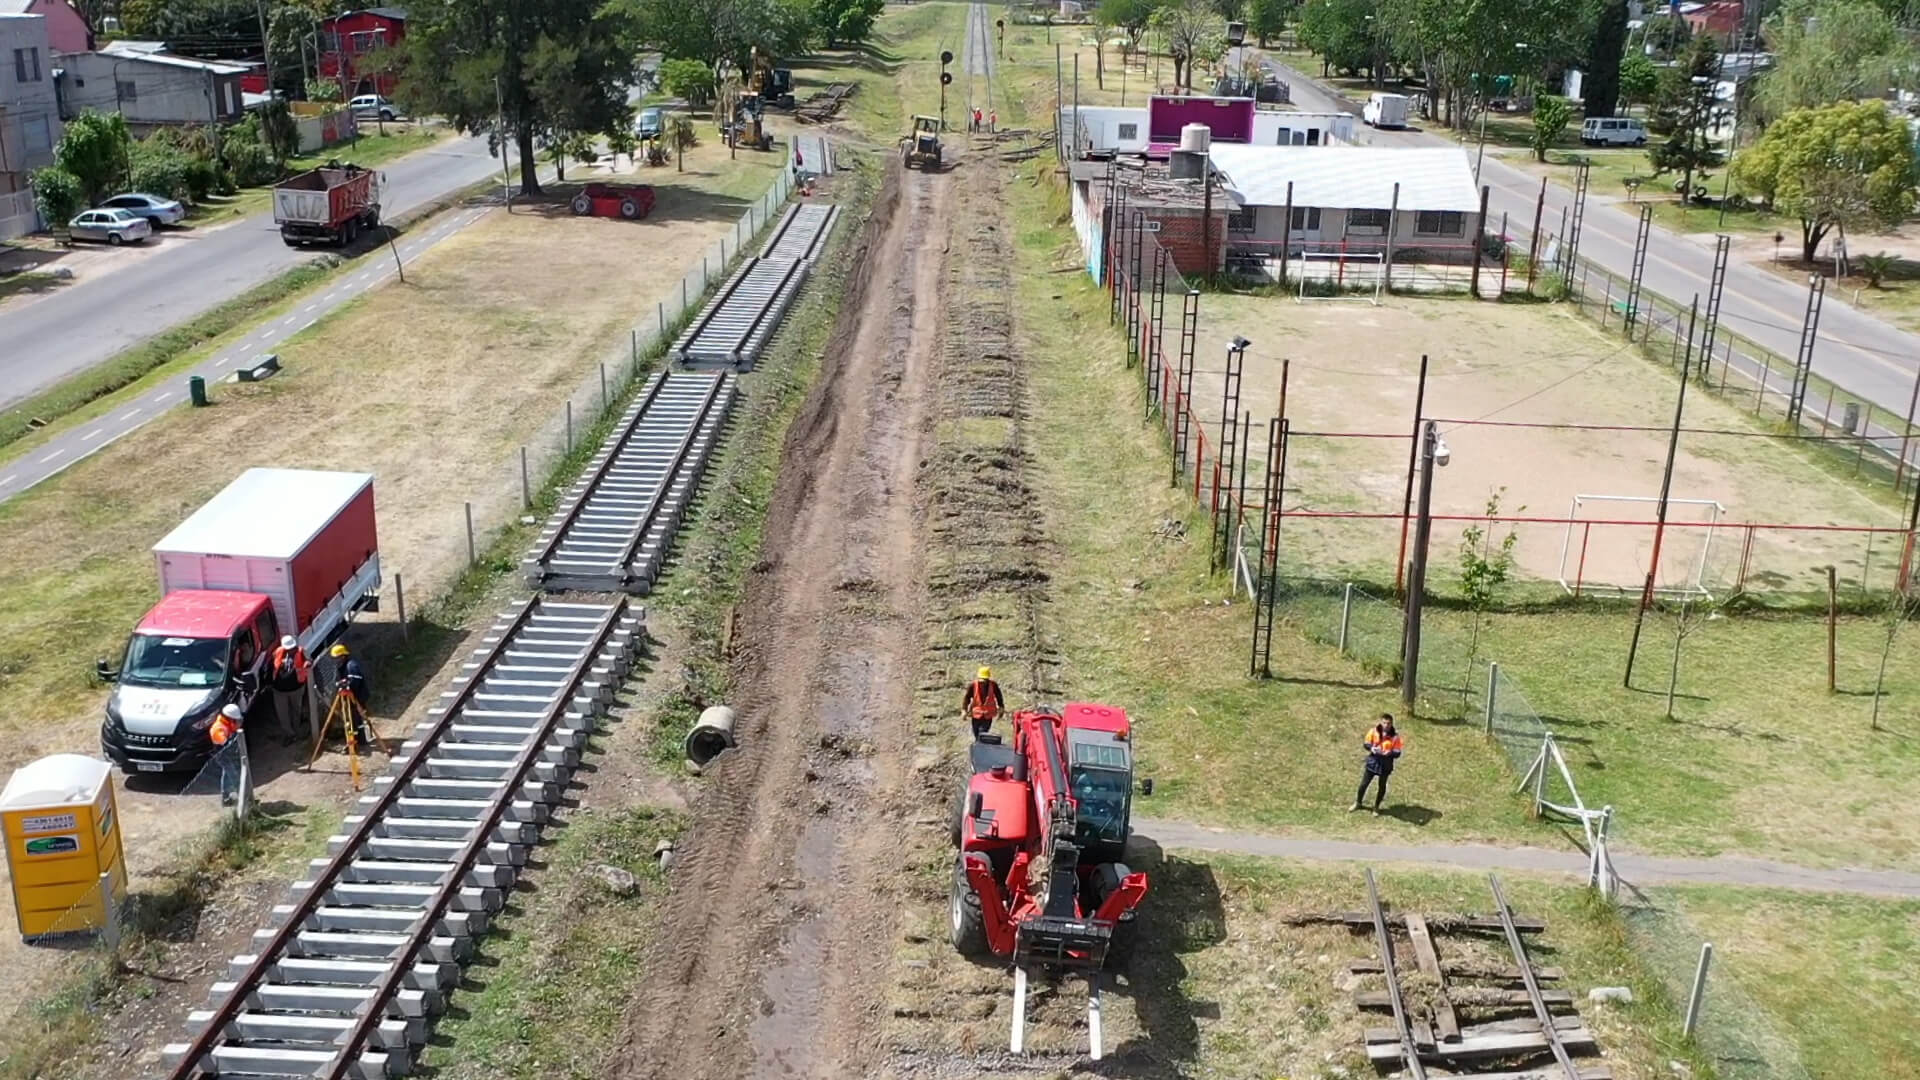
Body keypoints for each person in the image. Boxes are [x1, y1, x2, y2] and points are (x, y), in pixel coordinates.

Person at [1352, 714, 1403, 813]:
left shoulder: (1395, 737)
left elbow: (1398, 752)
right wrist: (1372, 748)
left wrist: (1390, 753)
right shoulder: (1373, 731)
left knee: (1382, 786)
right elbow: (1366, 743)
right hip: (1373, 761)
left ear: (1391, 724)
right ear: (1381, 722)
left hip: (1386, 763)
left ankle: (1376, 807)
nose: (1386, 725)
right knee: (1363, 784)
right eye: (1384, 723)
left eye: (1388, 723)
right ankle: (1358, 803)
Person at [331, 643, 375, 747]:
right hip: (349, 697)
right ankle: (354, 740)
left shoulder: (351, 665)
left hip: (358, 696)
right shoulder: (340, 667)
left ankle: (362, 740)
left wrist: (348, 685)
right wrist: (341, 683)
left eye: (336, 658)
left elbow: (356, 680)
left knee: (358, 718)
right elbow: (340, 680)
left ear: (342, 656)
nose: (335, 661)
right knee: (351, 720)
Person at [268, 635, 310, 743]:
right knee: (283, 714)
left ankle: (297, 730)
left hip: (296, 689)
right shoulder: (277, 652)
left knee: (296, 710)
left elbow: (309, 661)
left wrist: (307, 663)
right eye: (289, 648)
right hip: (279, 690)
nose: (291, 650)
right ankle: (290, 734)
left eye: (292, 648)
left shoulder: (301, 652)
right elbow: (271, 667)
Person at [210, 703, 244, 806]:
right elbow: (226, 743)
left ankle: (225, 798)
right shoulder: (218, 729)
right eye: (235, 720)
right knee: (234, 776)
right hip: (222, 755)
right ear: (229, 718)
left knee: (227, 775)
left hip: (226, 754)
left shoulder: (226, 723)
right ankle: (243, 798)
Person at [963, 665, 1004, 737]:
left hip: (988, 715)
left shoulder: (993, 685)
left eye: (984, 680)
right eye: (981, 680)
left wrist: (1001, 707)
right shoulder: (973, 685)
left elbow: (999, 696)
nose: (982, 682)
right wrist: (964, 710)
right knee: (976, 734)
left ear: (987, 679)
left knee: (982, 734)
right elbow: (967, 698)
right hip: (976, 715)